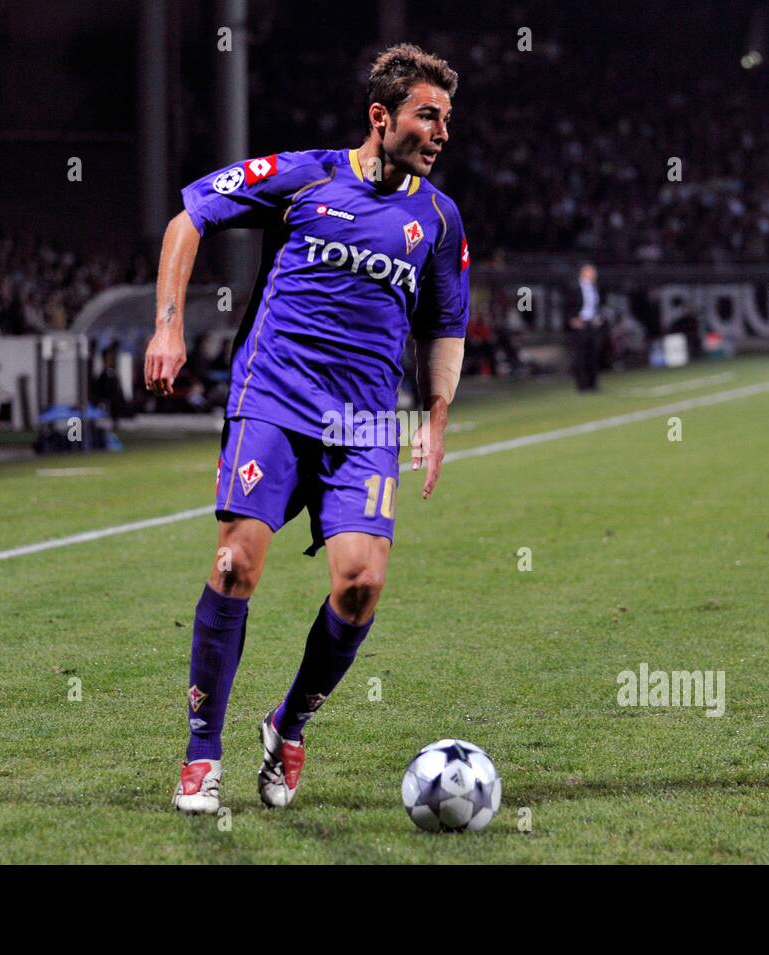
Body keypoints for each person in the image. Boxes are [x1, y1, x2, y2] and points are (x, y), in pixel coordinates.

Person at [144, 44, 469, 815]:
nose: (442, 132)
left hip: (363, 421)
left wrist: (436, 415)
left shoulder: (438, 217)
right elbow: (187, 219)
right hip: (275, 399)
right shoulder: (305, 176)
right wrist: (168, 327)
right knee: (233, 565)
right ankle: (200, 754)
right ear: (381, 117)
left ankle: (288, 724)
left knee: (360, 586)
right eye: (430, 115)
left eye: (448, 118)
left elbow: (445, 325)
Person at [569, 263, 602, 391]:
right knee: (580, 355)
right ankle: (582, 385)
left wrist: (597, 318)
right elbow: (568, 304)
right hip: (580, 324)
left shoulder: (594, 287)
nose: (594, 273)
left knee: (592, 355)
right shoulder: (575, 287)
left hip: (591, 324)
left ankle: (592, 384)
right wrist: (572, 319)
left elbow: (595, 306)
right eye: (591, 271)